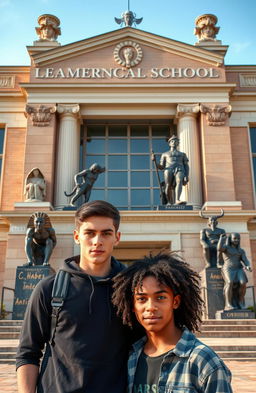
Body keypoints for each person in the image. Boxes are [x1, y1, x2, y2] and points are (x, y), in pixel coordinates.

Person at [16, 200, 131, 393]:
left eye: (106, 233)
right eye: (90, 233)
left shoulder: (131, 289)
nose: (97, 241)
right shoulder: (48, 289)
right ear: (77, 236)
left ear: (117, 238)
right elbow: (28, 353)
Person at [112, 252, 233, 393]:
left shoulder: (203, 361)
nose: (150, 307)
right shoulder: (131, 356)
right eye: (142, 299)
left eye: (161, 297)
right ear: (133, 306)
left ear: (175, 302)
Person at [217, 232, 252, 310]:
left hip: (239, 268)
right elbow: (219, 248)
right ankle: (228, 304)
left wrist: (248, 266)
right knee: (229, 282)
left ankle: (240, 302)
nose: (237, 240)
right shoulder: (226, 247)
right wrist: (221, 240)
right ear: (230, 239)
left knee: (243, 283)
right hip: (228, 268)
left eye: (238, 239)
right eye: (235, 238)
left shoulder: (241, 251)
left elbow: (245, 260)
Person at [152, 135, 189, 205]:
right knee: (168, 185)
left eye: (176, 141)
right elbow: (161, 166)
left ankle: (177, 199)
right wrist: (155, 161)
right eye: (172, 141)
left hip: (179, 169)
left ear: (178, 143)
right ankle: (169, 202)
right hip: (168, 169)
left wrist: (186, 175)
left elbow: (186, 165)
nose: (174, 142)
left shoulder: (183, 154)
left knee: (179, 181)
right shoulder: (165, 154)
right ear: (169, 143)